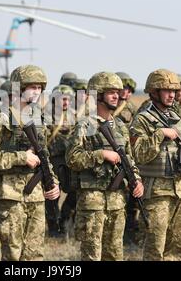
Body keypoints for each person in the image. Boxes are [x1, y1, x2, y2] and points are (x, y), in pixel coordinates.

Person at [130, 69, 181, 261]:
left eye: (174, 91)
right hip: (158, 193)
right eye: (166, 90)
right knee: (155, 247)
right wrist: (160, 134)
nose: (172, 95)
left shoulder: (179, 120)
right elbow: (137, 154)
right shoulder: (142, 119)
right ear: (154, 92)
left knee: (180, 246)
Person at [66, 71, 144, 261]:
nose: (117, 96)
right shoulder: (84, 125)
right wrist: (101, 154)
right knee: (92, 255)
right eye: (111, 92)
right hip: (92, 200)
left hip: (117, 200)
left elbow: (129, 159)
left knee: (115, 254)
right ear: (98, 95)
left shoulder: (120, 126)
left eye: (118, 92)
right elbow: (72, 158)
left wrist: (137, 180)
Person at [0, 64, 60, 261]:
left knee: (35, 254)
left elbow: (44, 156)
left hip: (36, 196)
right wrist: (21, 157)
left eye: (39, 88)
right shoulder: (2, 118)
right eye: (31, 87)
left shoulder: (38, 119)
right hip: (11, 197)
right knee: (12, 255)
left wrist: (53, 183)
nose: (36, 92)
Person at [46, 84, 76, 238]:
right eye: (63, 99)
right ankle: (53, 227)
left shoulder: (74, 116)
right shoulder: (46, 116)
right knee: (52, 196)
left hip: (70, 162)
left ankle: (64, 220)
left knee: (74, 192)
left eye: (68, 99)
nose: (66, 102)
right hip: (52, 161)